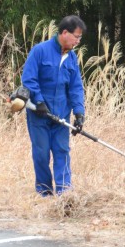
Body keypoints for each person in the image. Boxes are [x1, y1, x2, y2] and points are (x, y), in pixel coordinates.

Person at [21, 15, 86, 196]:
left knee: (62, 151)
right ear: (64, 32)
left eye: (80, 38)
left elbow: (75, 87)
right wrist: (39, 101)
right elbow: (29, 79)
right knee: (41, 154)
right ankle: (45, 192)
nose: (77, 41)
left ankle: (65, 193)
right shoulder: (40, 51)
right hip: (39, 114)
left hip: (61, 116)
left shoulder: (72, 58)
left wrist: (79, 113)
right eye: (76, 37)